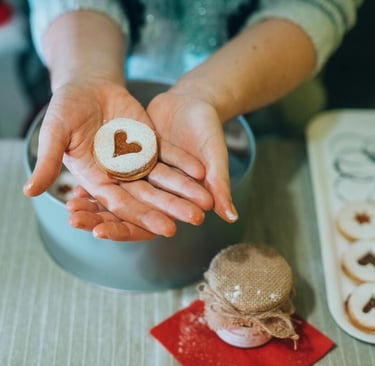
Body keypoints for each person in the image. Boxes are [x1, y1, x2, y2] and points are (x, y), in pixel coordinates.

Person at [24, 0, 362, 241]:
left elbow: (316, 6)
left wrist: (204, 93)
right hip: (102, 68)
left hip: (269, 98)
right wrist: (85, 74)